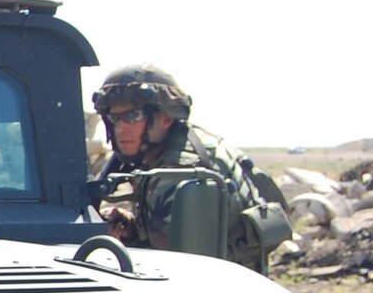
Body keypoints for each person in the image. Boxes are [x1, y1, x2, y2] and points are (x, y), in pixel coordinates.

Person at [90, 63, 283, 272]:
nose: (120, 128)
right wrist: (132, 227)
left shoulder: (177, 170)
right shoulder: (199, 141)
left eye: (132, 116)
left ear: (165, 118)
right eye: (114, 118)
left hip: (219, 286)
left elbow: (170, 265)